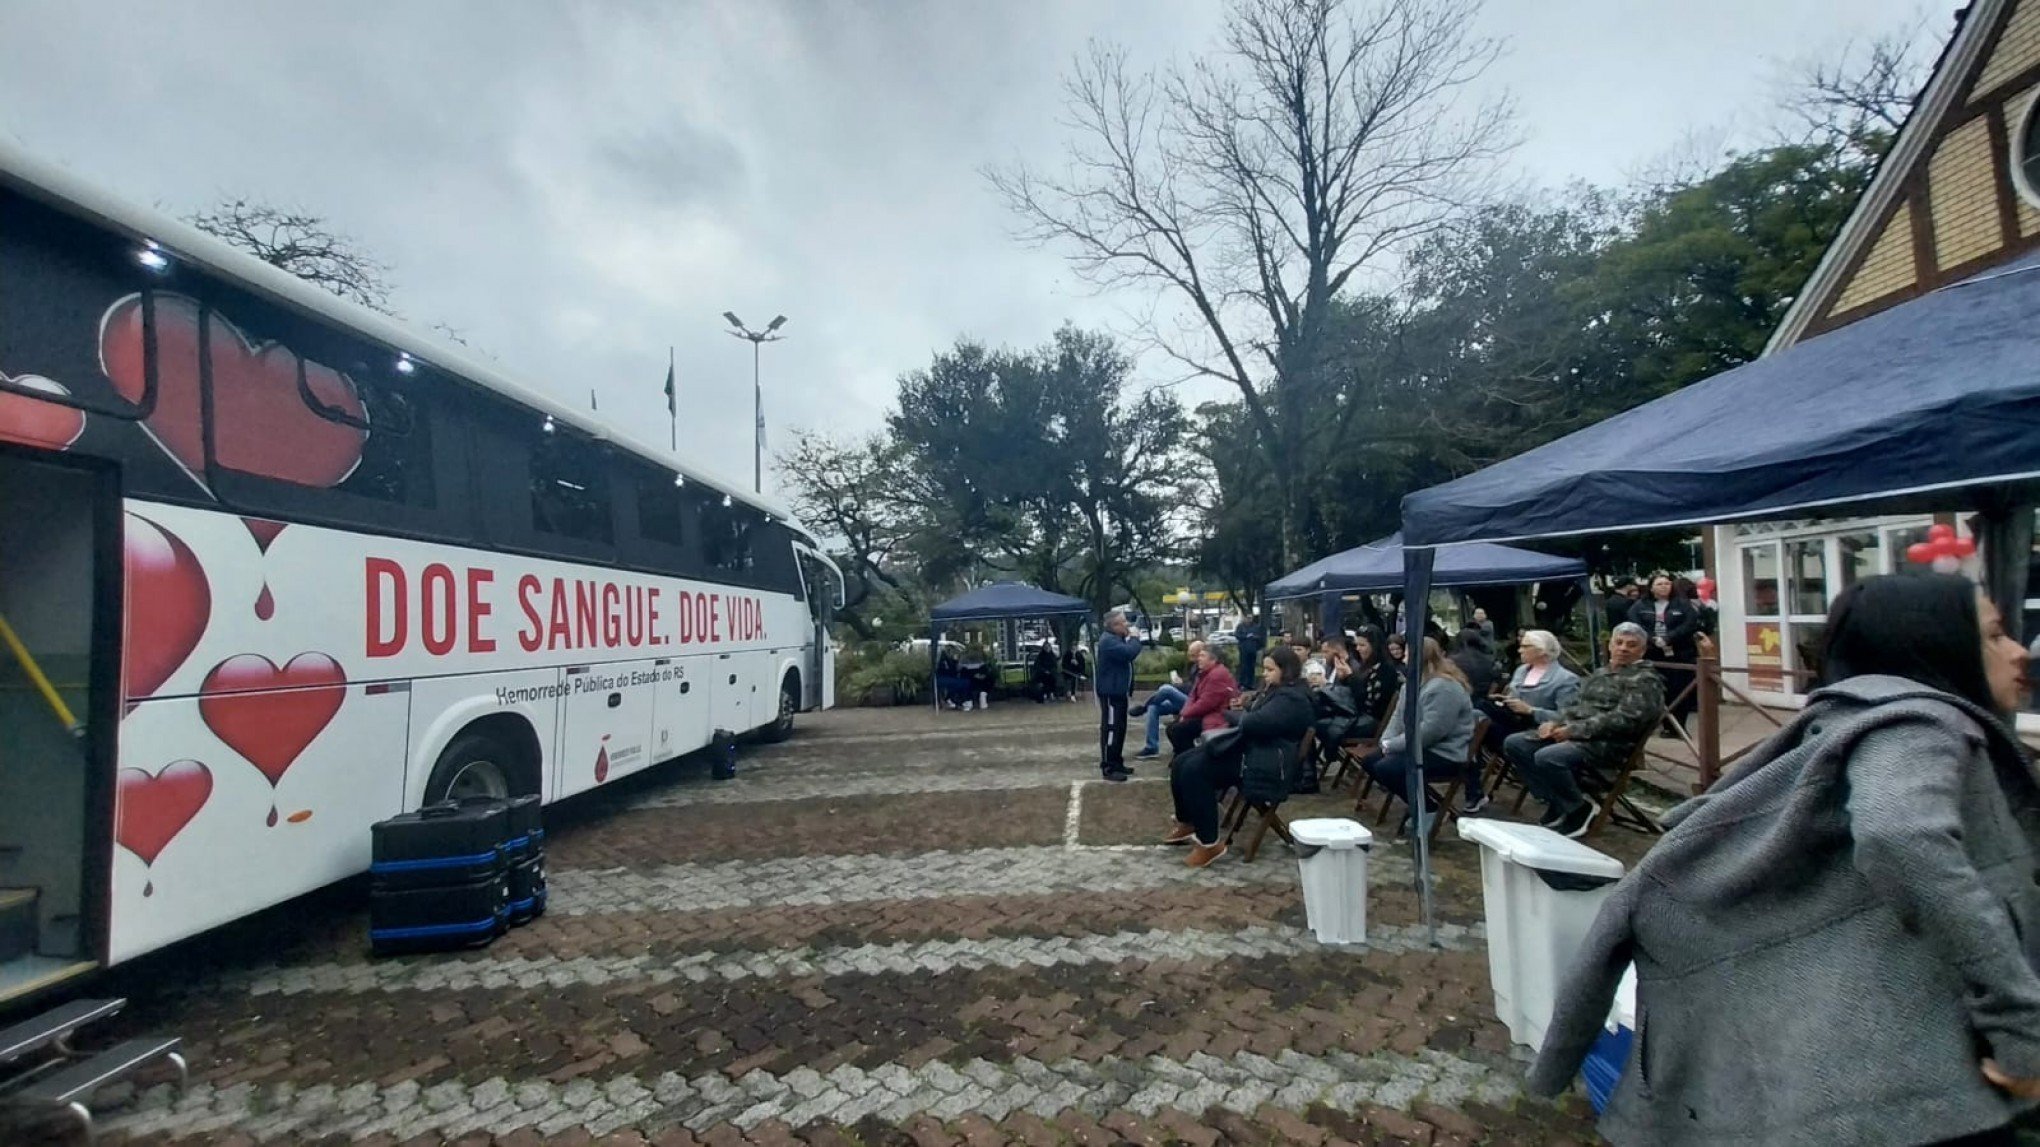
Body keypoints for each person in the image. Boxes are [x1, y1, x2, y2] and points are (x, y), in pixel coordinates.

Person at [1529, 574, 2040, 1146]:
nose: (2020, 651)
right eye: (1995, 635)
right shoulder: (1917, 722)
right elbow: (1901, 834)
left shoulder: (1844, 721)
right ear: (1936, 644)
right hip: (1908, 1094)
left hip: (1852, 1076)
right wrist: (2023, 1026)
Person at [1502, 623, 1664, 837]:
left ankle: (1578, 809)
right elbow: (1575, 705)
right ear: (1610, 646)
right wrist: (1556, 722)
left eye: (1631, 645)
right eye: (1619, 643)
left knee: (1548, 757)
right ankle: (1557, 801)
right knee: (1516, 744)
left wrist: (1573, 730)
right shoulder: (1601, 673)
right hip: (1579, 735)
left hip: (1609, 743)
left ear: (1641, 651)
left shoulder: (1644, 680)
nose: (1623, 648)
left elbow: (1624, 720)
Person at [1163, 645, 1315, 868]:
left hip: (1266, 762)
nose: (1265, 674)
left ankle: (1209, 841)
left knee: (1196, 771)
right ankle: (1188, 821)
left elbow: (1254, 722)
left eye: (1270, 669)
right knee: (1182, 762)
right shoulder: (1276, 691)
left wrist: (1238, 715)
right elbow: (1253, 715)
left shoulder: (1292, 698)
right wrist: (1243, 712)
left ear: (1286, 670)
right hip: (1254, 750)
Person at [1361, 637, 1479, 834]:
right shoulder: (1411, 684)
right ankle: (1421, 803)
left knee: (1388, 768)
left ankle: (1429, 808)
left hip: (1445, 752)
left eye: (1407, 654)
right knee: (1371, 761)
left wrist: (1393, 746)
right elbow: (1398, 718)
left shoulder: (1444, 687)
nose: (1403, 658)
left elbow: (1432, 731)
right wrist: (1385, 742)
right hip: (1420, 747)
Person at [1478, 629, 1581, 756]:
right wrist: (1505, 700)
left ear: (1542, 650)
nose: (1519, 650)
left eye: (1525, 646)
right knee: (1477, 713)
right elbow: (1515, 696)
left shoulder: (1565, 679)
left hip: (1540, 730)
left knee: (1486, 727)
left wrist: (1531, 710)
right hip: (1514, 721)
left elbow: (1567, 717)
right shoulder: (1521, 671)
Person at [1629, 572, 1703, 733]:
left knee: (1678, 691)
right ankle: (1653, 726)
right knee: (1653, 691)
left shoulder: (1682, 604)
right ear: (1651, 588)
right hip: (1652, 654)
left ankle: (1677, 728)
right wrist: (1651, 639)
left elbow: (1689, 623)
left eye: (1667, 583)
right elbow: (1635, 624)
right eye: (1659, 584)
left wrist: (1669, 638)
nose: (1664, 587)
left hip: (1679, 654)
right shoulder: (1640, 606)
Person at [1132, 640, 1204, 759]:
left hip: (1196, 703)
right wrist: (1181, 683)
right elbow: (1191, 686)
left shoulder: (1204, 667)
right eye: (1190, 654)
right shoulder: (1194, 666)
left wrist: (1178, 686)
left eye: (1193, 654)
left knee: (1166, 689)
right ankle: (1152, 747)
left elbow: (1196, 689)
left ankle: (1143, 708)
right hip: (1189, 699)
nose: (1190, 657)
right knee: (1154, 707)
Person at [1093, 612, 1143, 782]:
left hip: (1118, 692)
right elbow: (1129, 653)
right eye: (1123, 623)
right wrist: (1135, 638)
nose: (1127, 626)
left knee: (1120, 728)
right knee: (1112, 729)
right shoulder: (1108, 641)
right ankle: (1108, 766)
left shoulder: (1115, 638)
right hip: (1110, 692)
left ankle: (1117, 761)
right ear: (1114, 626)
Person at [1165, 644, 1238, 754]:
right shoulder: (1204, 673)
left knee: (1178, 730)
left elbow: (1206, 703)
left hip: (1217, 716)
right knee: (1172, 728)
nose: (1199, 659)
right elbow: (1192, 696)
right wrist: (1184, 714)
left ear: (1213, 660)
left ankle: (1187, 758)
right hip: (1206, 714)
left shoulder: (1217, 675)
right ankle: (1183, 757)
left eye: (1203, 656)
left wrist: (1185, 715)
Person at [1347, 625, 1402, 738]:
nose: (1358, 649)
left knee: (1327, 727)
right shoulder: (1364, 666)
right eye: (1356, 645)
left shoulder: (1385, 670)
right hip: (1361, 717)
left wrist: (1350, 678)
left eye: (1362, 645)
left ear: (1375, 646)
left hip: (1373, 722)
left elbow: (1371, 704)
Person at [1450, 627, 1501, 700]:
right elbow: (1497, 679)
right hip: (1485, 700)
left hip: (1462, 700)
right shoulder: (1490, 659)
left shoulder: (1451, 661)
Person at [1234, 614, 1264, 684]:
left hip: (1252, 650)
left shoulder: (1256, 627)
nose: (1249, 619)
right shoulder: (1240, 626)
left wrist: (1254, 637)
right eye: (1247, 618)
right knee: (1243, 666)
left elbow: (1260, 637)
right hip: (1243, 649)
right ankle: (1243, 683)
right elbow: (1237, 635)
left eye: (1250, 618)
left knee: (1251, 667)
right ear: (1245, 618)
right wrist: (1246, 636)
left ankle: (1250, 683)